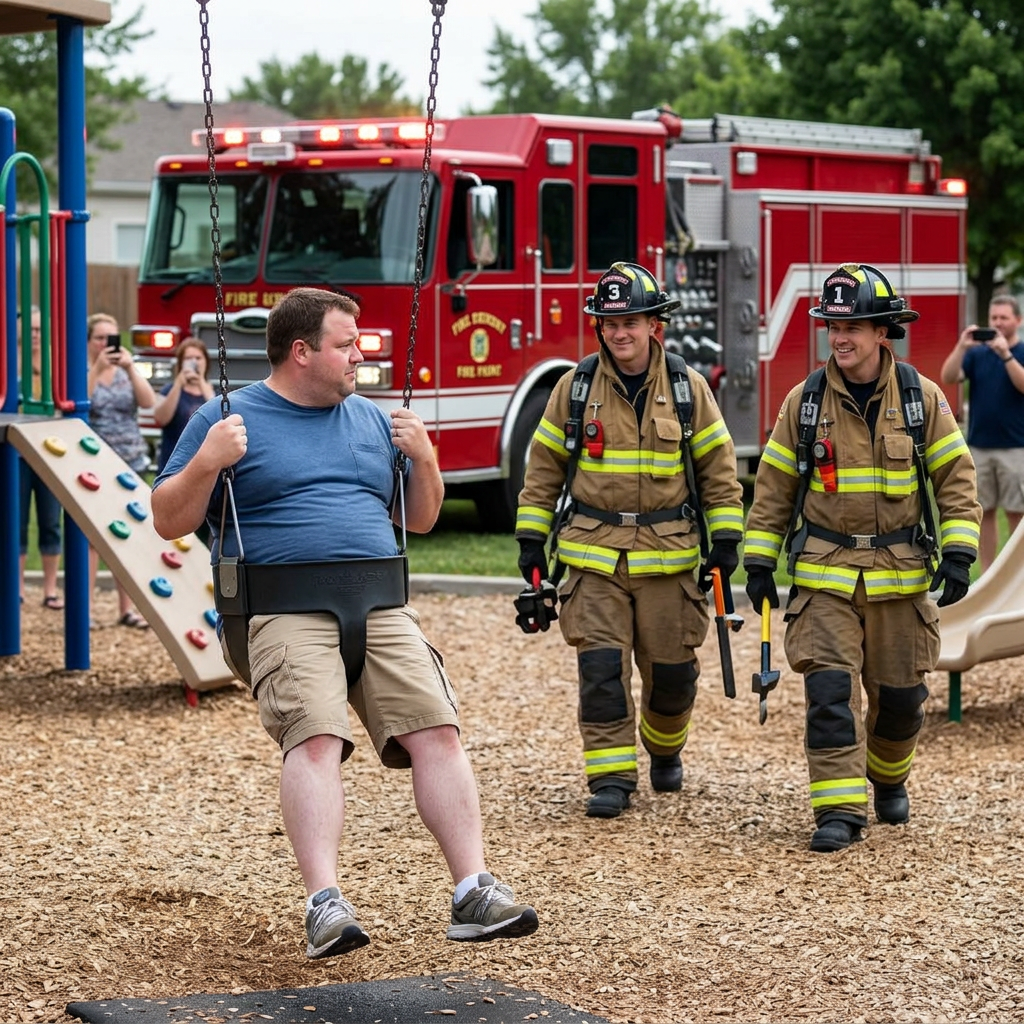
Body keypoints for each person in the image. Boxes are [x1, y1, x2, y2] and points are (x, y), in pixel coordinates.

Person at [151, 287, 537, 958]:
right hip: (282, 605)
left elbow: (418, 520)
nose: (359, 355)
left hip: (380, 600)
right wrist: (210, 461)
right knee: (316, 739)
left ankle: (473, 890)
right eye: (345, 345)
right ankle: (324, 903)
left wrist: (428, 458)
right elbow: (167, 518)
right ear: (301, 353)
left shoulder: (372, 420)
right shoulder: (228, 418)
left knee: (437, 731)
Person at [744, 264, 981, 853]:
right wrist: (757, 561)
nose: (840, 338)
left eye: (853, 327)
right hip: (823, 576)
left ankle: (889, 775)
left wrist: (957, 552)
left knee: (900, 701)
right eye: (832, 327)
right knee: (829, 696)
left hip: (900, 576)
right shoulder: (804, 404)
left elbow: (955, 480)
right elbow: (772, 489)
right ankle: (839, 811)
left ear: (883, 333)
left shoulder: (923, 399)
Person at [515, 261, 744, 820]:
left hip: (670, 558)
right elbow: (544, 469)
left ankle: (665, 746)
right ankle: (611, 777)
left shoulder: (688, 390)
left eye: (631, 321)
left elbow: (718, 470)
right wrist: (531, 538)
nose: (619, 332)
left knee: (671, 676)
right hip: (592, 557)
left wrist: (727, 540)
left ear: (654, 325)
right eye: (610, 322)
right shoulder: (574, 389)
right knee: (600, 672)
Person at [939, 295, 1024, 569]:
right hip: (980, 446)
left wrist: (1006, 355)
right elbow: (949, 377)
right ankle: (988, 573)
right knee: (983, 511)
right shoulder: (976, 354)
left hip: (1015, 447)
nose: (998, 323)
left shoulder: (1020, 351)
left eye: (1004, 318)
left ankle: (1015, 576)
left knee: (1017, 514)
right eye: (994, 317)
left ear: (1018, 321)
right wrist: (962, 346)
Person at [86, 312, 157, 628]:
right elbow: (79, 405)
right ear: (89, 342)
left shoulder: (127, 370)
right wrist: (97, 369)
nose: (106, 344)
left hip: (131, 460)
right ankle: (84, 608)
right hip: (94, 463)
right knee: (90, 537)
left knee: (127, 534)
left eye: (111, 337)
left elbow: (148, 401)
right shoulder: (84, 370)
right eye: (100, 338)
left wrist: (128, 367)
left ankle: (127, 608)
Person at [18, 306, 64, 609]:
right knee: (15, 520)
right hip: (17, 451)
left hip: (48, 450)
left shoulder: (54, 362)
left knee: (50, 521)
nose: (35, 336)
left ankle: (50, 588)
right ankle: (17, 586)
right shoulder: (10, 361)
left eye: (38, 330)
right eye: (29, 330)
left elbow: (62, 401)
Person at [153, 337, 215, 474]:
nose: (194, 362)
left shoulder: (213, 392)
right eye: (188, 358)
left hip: (203, 465)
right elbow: (161, 418)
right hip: (173, 464)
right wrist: (178, 385)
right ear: (181, 363)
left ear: (206, 361)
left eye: (198, 358)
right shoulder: (168, 390)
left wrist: (201, 384)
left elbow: (219, 419)